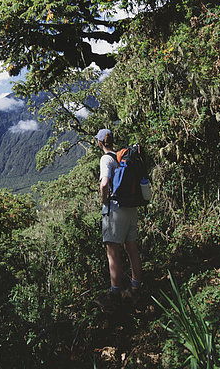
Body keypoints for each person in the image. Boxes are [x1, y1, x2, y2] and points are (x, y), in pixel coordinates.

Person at [95, 128, 143, 310]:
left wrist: (104, 200)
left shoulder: (106, 159)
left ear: (100, 143)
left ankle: (115, 292)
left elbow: (105, 183)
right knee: (131, 246)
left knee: (112, 250)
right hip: (131, 207)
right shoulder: (123, 157)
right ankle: (136, 285)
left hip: (115, 209)